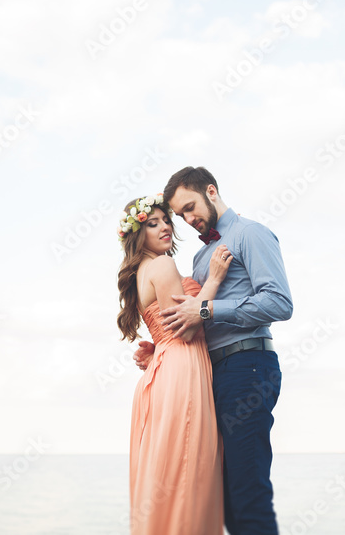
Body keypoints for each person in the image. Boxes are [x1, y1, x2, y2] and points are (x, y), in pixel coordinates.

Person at [136, 166, 294, 535]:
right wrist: (160, 349)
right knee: (220, 494)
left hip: (248, 367)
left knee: (247, 488)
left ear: (211, 191)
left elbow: (280, 303)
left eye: (190, 207)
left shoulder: (249, 234)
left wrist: (207, 308)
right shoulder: (199, 260)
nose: (188, 220)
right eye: (181, 215)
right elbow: (192, 324)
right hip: (212, 375)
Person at [117, 192, 235, 534]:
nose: (165, 227)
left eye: (166, 220)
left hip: (165, 369)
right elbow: (184, 328)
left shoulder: (143, 270)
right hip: (182, 369)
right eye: (152, 224)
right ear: (139, 234)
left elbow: (165, 324)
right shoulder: (163, 264)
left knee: (169, 472)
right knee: (188, 470)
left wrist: (155, 348)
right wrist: (212, 279)